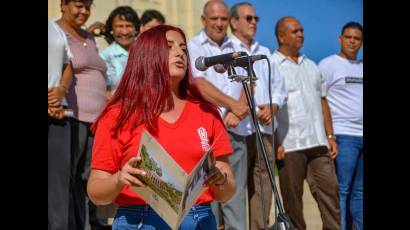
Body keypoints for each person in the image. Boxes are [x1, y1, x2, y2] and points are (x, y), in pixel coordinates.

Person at [87, 25, 236, 230]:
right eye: (169, 47)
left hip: (199, 218)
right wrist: (120, 179)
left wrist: (221, 180)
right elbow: (96, 192)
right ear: (146, 56)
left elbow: (227, 192)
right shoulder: (118, 116)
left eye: (183, 48)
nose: (180, 53)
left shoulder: (207, 113)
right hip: (140, 219)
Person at [271, 16, 341, 230]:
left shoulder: (312, 65)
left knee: (331, 195)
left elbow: (323, 102)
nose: (301, 34)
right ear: (281, 36)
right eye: (295, 31)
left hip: (319, 144)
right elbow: (268, 107)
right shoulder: (272, 65)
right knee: (293, 204)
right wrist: (275, 142)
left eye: (302, 30)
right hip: (289, 146)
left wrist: (330, 136)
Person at [188, 1, 249, 229]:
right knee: (208, 192)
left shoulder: (237, 46)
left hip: (235, 128)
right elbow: (200, 85)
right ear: (204, 20)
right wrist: (234, 105)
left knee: (236, 191)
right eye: (214, 19)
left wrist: (240, 110)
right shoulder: (193, 46)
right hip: (206, 131)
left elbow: (248, 81)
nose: (219, 23)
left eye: (224, 19)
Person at [228, 2, 287, 229]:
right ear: (234, 22)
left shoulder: (264, 52)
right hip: (237, 130)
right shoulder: (225, 50)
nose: (254, 22)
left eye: (256, 19)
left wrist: (273, 107)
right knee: (234, 187)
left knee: (263, 187)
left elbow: (280, 88)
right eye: (248, 18)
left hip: (263, 131)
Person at [56, 0, 108, 229]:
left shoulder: (89, 37)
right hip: (70, 119)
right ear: (63, 5)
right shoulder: (55, 33)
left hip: (97, 123)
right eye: (78, 5)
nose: (84, 11)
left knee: (89, 180)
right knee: (66, 181)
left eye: (87, 6)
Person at [318, 22, 363, 230]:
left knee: (360, 192)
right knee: (342, 190)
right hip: (343, 136)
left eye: (357, 38)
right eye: (348, 37)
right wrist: (329, 136)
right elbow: (320, 100)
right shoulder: (328, 65)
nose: (352, 41)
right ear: (340, 39)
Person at [48, 19, 73, 230]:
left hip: (57, 114)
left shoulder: (55, 29)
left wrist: (62, 89)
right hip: (51, 108)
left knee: (58, 188)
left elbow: (68, 64)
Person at [100, 6, 140, 96]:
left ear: (136, 29)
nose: (124, 32)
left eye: (129, 26)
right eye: (119, 26)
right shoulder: (105, 56)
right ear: (111, 30)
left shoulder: (145, 54)